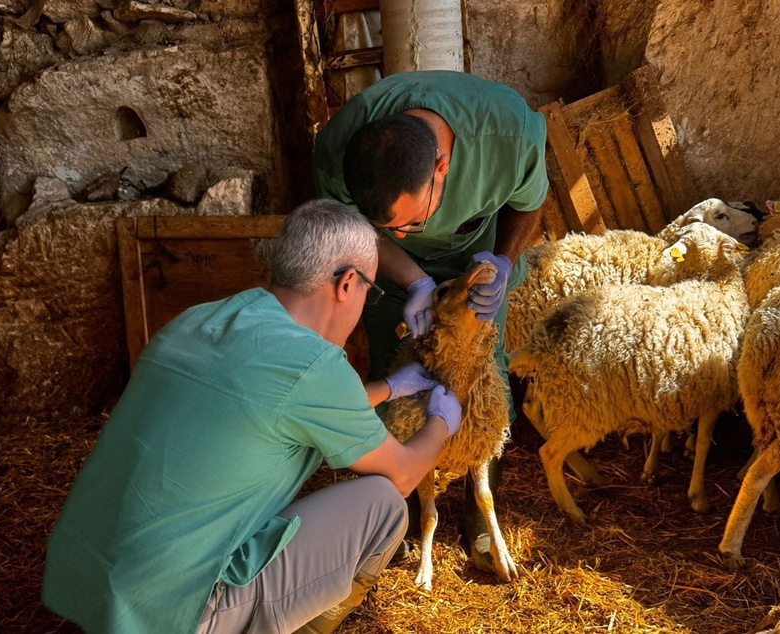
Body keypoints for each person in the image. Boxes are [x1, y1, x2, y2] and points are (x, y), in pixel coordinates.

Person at [41, 199, 463, 634]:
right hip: (172, 615)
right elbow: (405, 473)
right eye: (369, 292)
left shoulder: (198, 319)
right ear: (348, 283)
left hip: (87, 586)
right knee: (384, 505)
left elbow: (285, 400)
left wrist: (390, 387)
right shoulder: (314, 364)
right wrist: (441, 420)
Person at [312, 70, 549, 570]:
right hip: (385, 266)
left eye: (412, 220)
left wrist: (504, 262)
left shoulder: (509, 136)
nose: (403, 231)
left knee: (485, 372)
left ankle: (479, 512)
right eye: (390, 224)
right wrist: (414, 277)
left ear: (442, 166)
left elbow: (529, 202)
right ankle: (394, 510)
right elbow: (358, 233)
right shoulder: (337, 152)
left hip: (477, 258)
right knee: (393, 362)